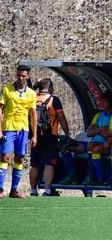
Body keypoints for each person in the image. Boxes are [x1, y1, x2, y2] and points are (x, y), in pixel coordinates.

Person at [0, 65, 37, 199]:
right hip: (8, 128)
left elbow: (33, 115)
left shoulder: (32, 93)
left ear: (28, 76)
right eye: (18, 75)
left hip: (24, 129)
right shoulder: (7, 89)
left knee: (20, 157)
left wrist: (35, 135)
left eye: (23, 76)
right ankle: (0, 189)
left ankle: (14, 190)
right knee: (4, 156)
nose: (20, 78)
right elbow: (0, 110)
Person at [29, 78, 71, 197]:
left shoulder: (33, 98)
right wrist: (67, 134)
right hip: (50, 135)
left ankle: (33, 190)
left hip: (34, 136)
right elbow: (61, 117)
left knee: (35, 164)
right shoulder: (54, 100)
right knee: (49, 163)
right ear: (50, 87)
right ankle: (47, 190)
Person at [84, 93, 112, 185]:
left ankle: (98, 178)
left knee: (94, 148)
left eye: (105, 101)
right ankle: (93, 176)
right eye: (101, 101)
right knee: (90, 146)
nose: (102, 103)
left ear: (110, 103)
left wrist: (97, 130)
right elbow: (89, 132)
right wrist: (101, 129)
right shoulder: (98, 115)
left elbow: (109, 134)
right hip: (95, 143)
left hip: (107, 144)